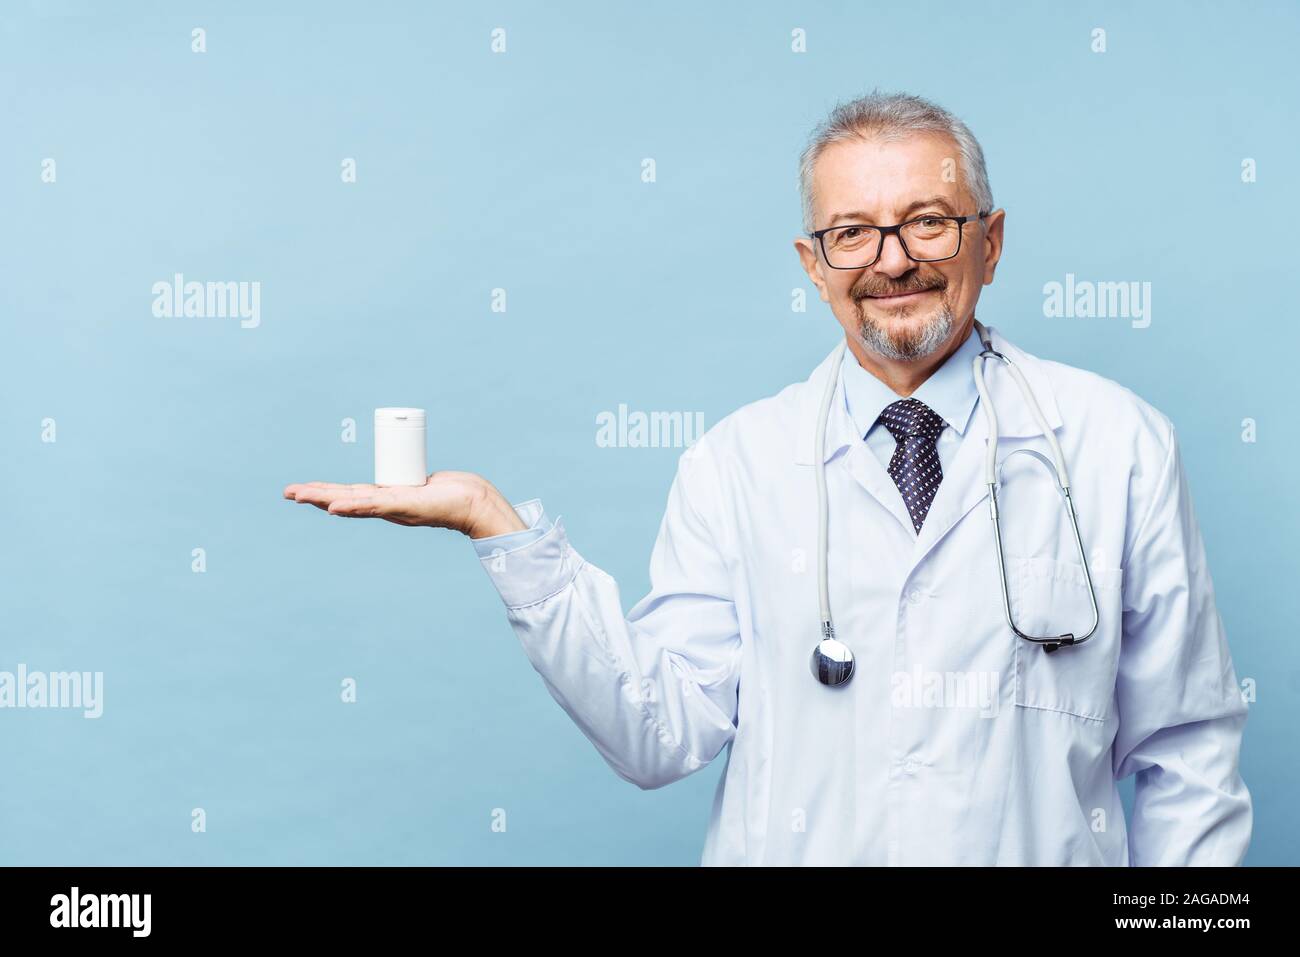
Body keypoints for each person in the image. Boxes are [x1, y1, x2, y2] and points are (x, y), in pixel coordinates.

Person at [284, 91, 1251, 866]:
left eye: (929, 223)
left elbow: (1187, 751)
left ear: (990, 244)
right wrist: (496, 528)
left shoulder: (1118, 444)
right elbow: (655, 732)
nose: (893, 261)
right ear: (814, 263)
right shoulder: (735, 464)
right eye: (854, 233)